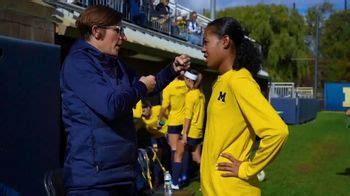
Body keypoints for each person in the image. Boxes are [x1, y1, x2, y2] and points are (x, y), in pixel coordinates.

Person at [60, 5, 190, 195]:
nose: (124, 37)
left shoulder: (116, 64)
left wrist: (172, 70)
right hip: (93, 182)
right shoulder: (78, 64)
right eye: (118, 31)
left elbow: (149, 85)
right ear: (97, 32)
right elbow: (111, 106)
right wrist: (142, 87)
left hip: (124, 175)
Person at [200, 17, 289, 195]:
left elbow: (277, 131)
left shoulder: (239, 80)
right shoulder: (221, 82)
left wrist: (247, 169)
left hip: (232, 190)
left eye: (206, 43)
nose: (203, 49)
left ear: (225, 41)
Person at [171, 69, 205, 190]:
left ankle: (174, 183)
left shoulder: (191, 95)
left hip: (190, 132)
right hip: (198, 132)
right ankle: (204, 183)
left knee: (178, 155)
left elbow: (188, 117)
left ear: (189, 80)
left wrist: (184, 134)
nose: (183, 81)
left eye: (185, 79)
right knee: (197, 158)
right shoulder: (201, 94)